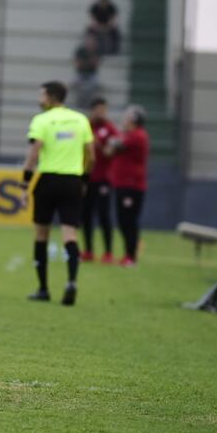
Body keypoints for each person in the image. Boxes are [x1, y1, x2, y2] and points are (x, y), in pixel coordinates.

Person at [20, 81, 94, 306]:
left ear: (51, 97)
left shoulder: (42, 120)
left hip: (48, 181)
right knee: (70, 235)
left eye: (42, 95)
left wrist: (25, 185)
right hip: (72, 180)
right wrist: (84, 180)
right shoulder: (80, 120)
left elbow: (34, 153)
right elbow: (91, 155)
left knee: (42, 234)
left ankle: (43, 289)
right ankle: (71, 281)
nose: (39, 99)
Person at [105, 105, 149, 267]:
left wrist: (113, 142)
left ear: (134, 120)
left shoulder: (138, 136)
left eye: (127, 117)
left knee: (128, 221)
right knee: (123, 220)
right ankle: (128, 255)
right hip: (122, 184)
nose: (123, 120)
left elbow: (113, 147)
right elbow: (109, 150)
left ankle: (131, 256)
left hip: (131, 186)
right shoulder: (129, 135)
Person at [81, 97, 118, 263]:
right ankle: (88, 250)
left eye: (104, 110)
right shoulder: (84, 126)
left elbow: (111, 152)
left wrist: (99, 145)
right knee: (86, 214)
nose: (101, 113)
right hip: (86, 177)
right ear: (92, 110)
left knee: (104, 215)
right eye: (99, 110)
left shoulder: (109, 129)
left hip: (103, 178)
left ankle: (108, 252)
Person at [73, 33, 100, 109]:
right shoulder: (80, 51)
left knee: (94, 84)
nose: (90, 44)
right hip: (81, 74)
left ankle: (90, 105)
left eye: (92, 42)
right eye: (89, 42)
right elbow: (78, 64)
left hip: (92, 74)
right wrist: (88, 63)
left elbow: (95, 64)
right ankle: (80, 105)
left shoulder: (96, 51)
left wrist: (85, 63)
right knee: (77, 84)